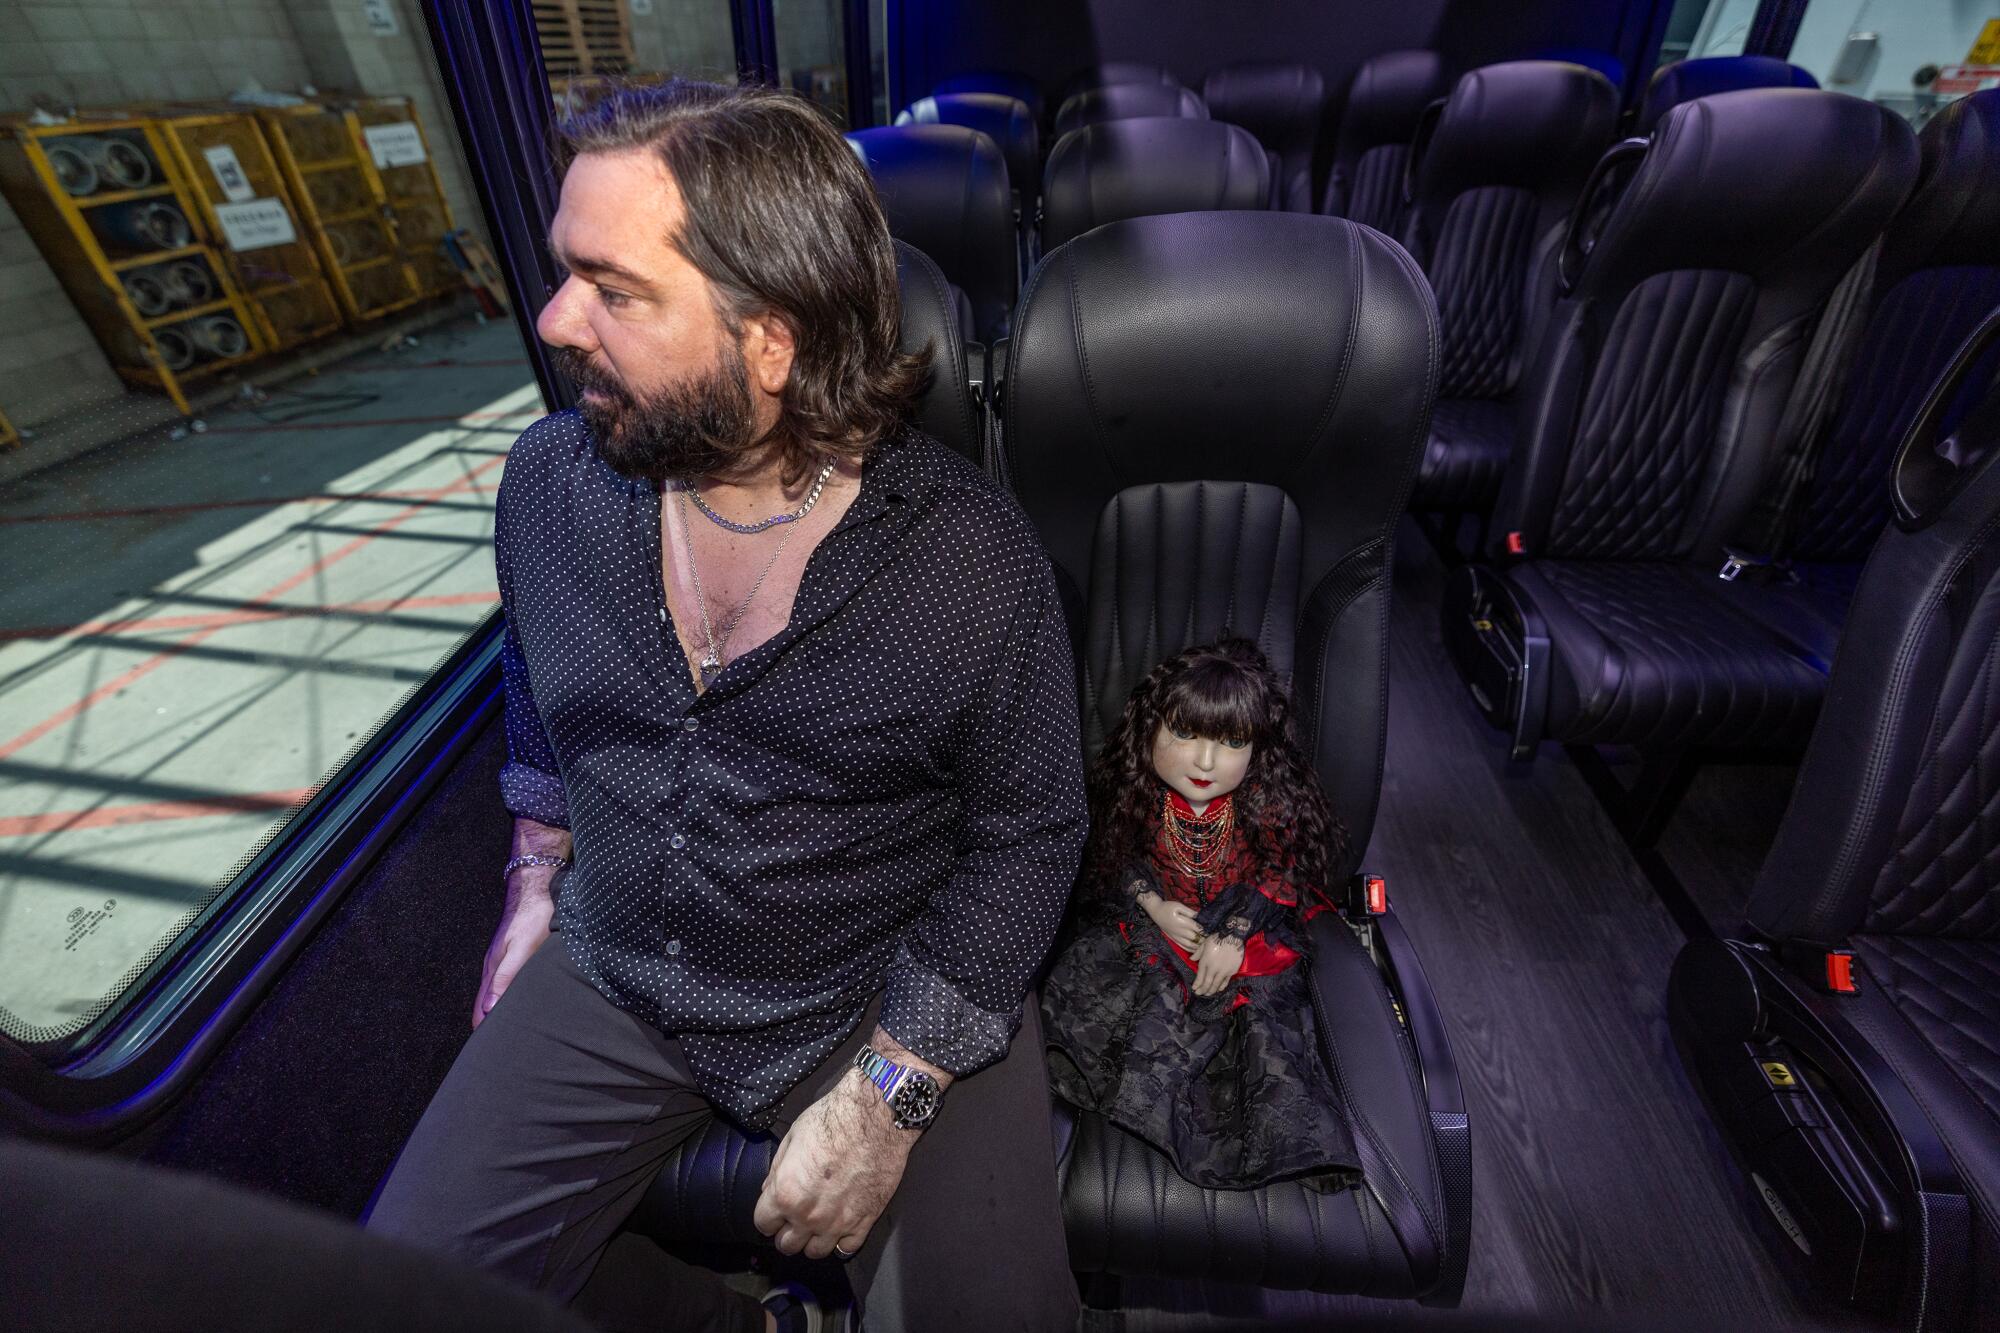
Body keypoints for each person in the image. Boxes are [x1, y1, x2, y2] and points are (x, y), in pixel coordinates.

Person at [363, 79, 1087, 1333]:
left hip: (870, 977)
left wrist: (892, 1091)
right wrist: (532, 884)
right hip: (621, 965)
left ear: (770, 340)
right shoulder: (546, 484)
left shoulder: (969, 563)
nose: (551, 319)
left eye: (613, 289)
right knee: (394, 1295)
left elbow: (1028, 841)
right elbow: (537, 699)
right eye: (561, 271)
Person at [1041, 639, 1361, 1192]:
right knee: (1128, 989)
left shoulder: (1263, 807)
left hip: (1240, 930)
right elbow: (1116, 860)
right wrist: (1154, 906)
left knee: (1251, 1030)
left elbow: (1278, 873)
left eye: (1232, 742)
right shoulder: (1135, 800)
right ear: (1150, 733)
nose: (1206, 762)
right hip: (1163, 926)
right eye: (1185, 734)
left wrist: (1236, 934)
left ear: (1257, 750)